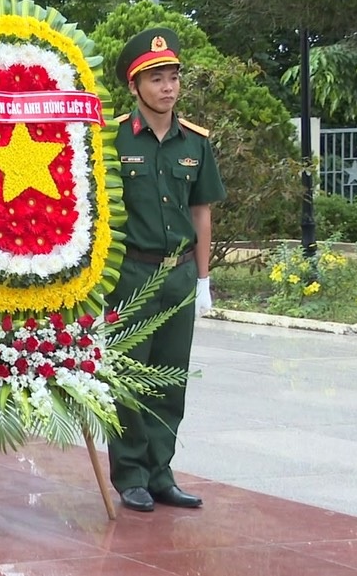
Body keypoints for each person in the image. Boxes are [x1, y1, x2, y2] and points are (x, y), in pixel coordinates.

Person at [108, 28, 225, 512]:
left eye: (173, 77)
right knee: (129, 377)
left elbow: (201, 214)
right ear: (135, 87)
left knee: (170, 378)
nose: (168, 87)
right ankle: (130, 474)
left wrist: (202, 280)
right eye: (157, 78)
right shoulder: (111, 139)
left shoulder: (194, 143)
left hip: (176, 273)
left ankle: (161, 473)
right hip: (130, 274)